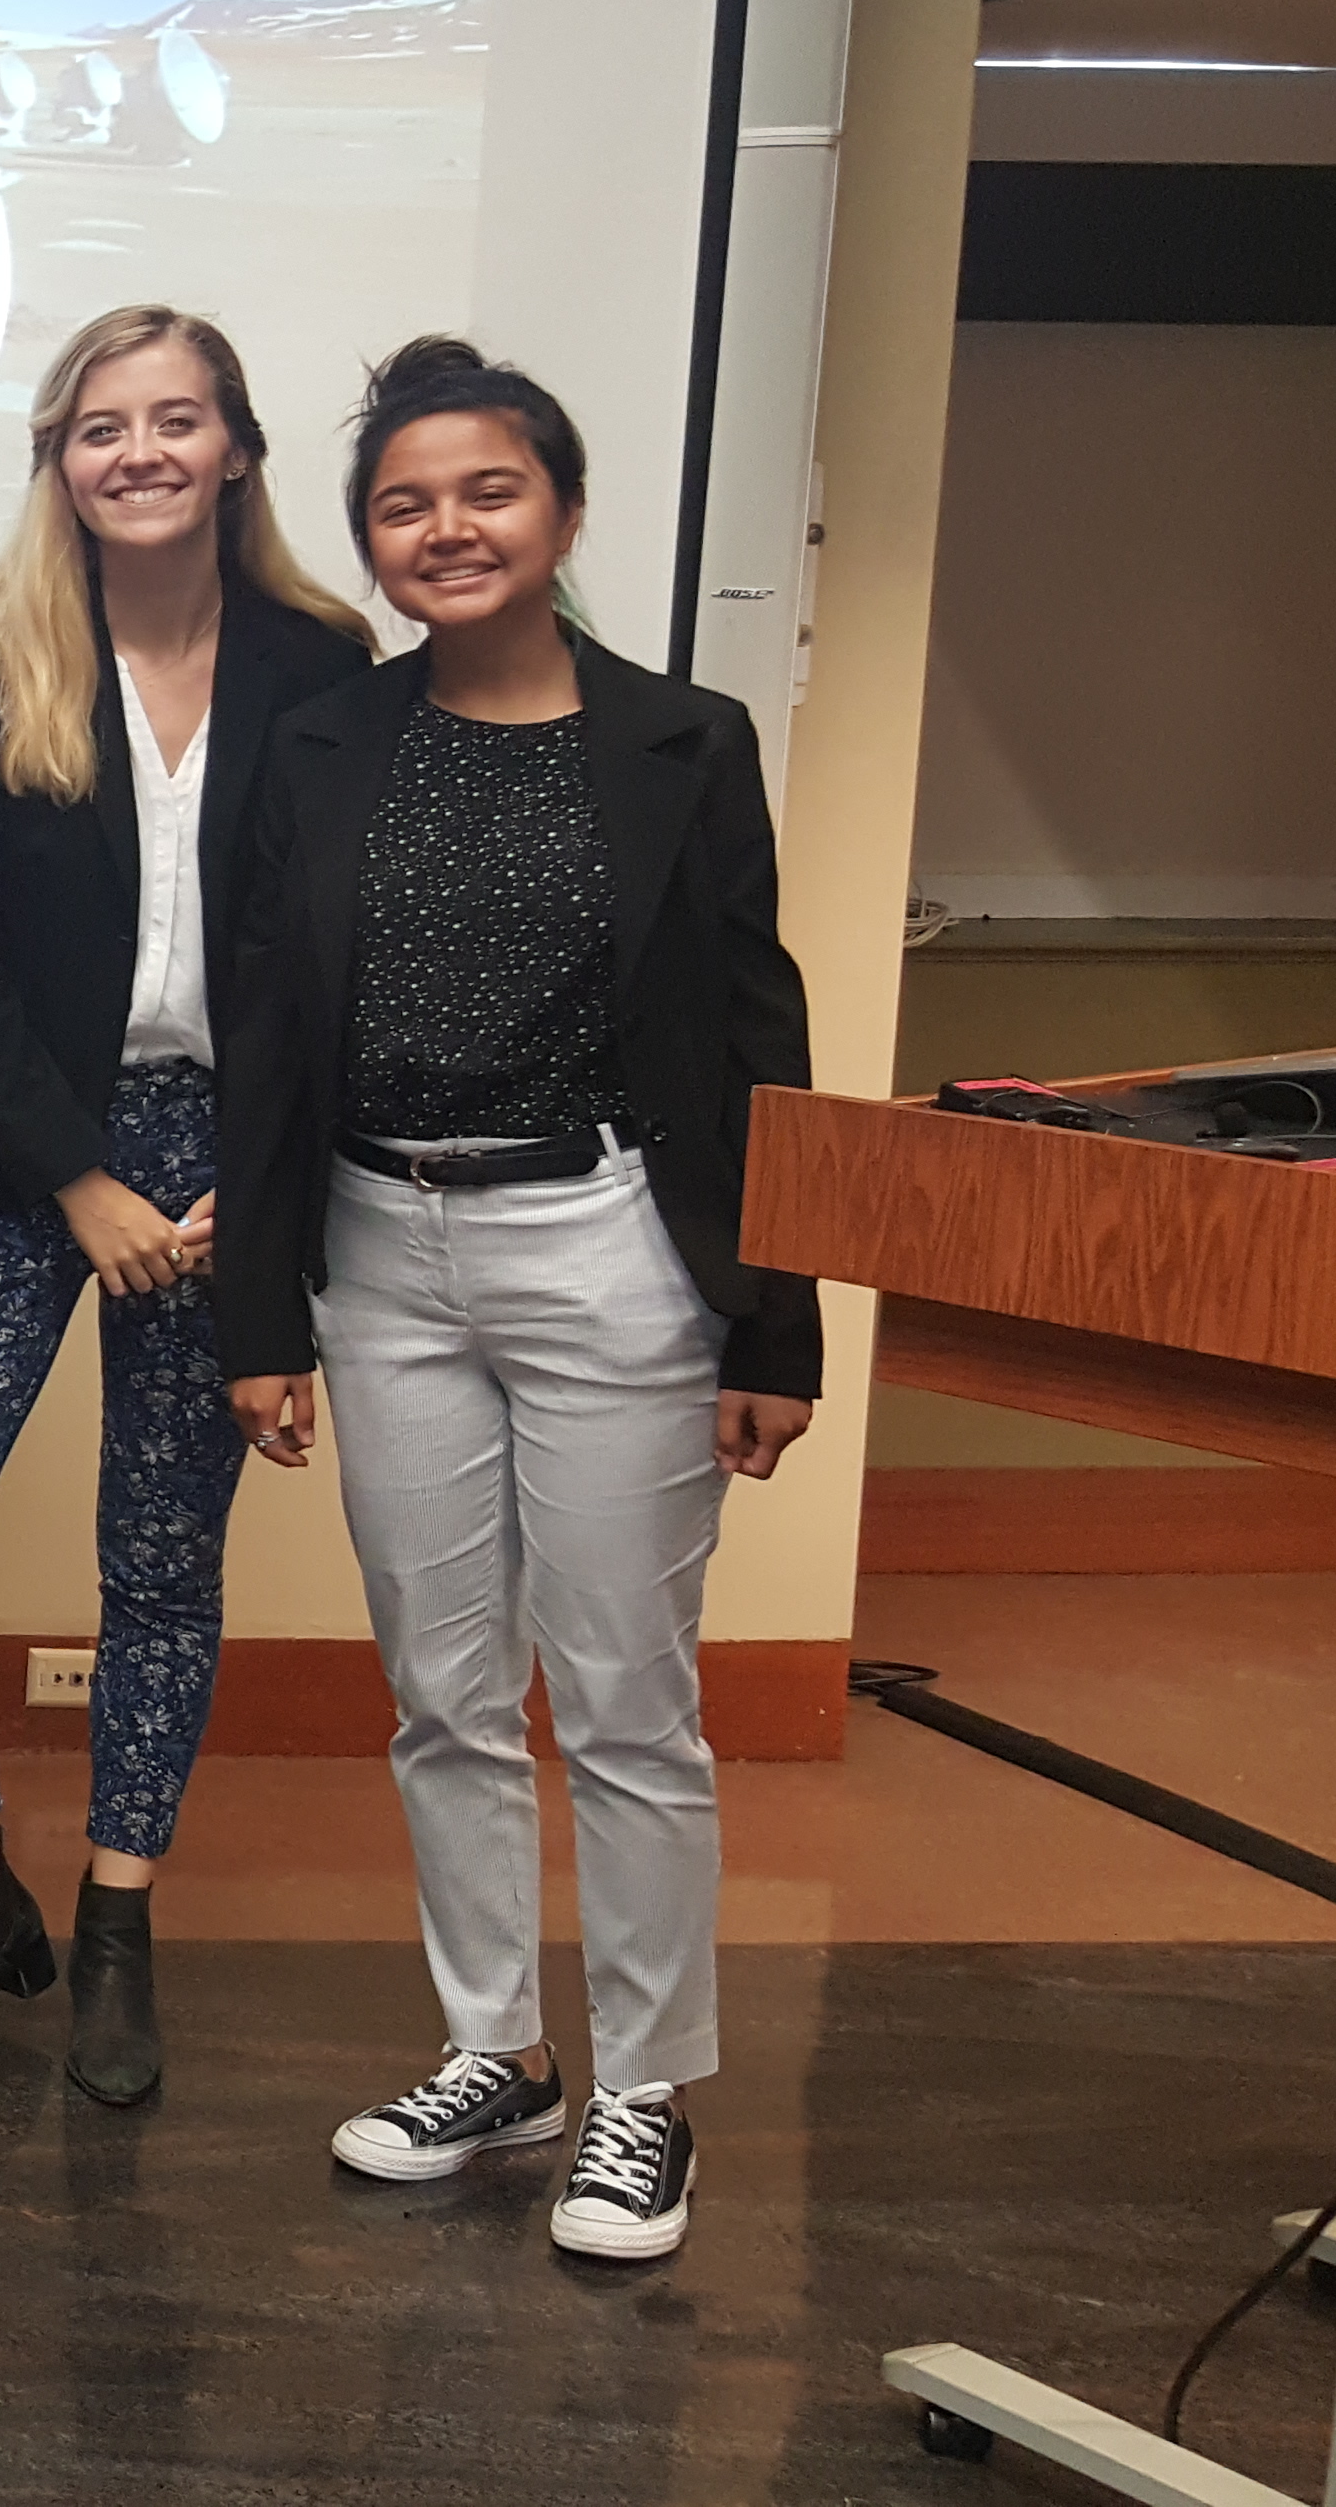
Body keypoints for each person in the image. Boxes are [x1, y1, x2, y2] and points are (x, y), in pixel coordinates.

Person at [217, 334, 816, 2267]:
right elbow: (267, 1040)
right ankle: (499, 2052)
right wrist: (260, 1316)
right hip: (382, 1253)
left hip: (613, 1248)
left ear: (561, 512)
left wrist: (775, 1318)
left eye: (489, 490)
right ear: (370, 542)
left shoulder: (686, 742)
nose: (448, 528)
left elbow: (759, 1035)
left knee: (628, 1700)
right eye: (404, 504)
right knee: (445, 1691)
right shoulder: (322, 745)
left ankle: (646, 2091)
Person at [0, 307, 376, 2108]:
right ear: (57, 461)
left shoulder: (326, 664)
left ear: (236, 447)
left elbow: (340, 954)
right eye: (100, 426)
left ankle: (115, 1930)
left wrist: (267, 1178)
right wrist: (80, 1179)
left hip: (235, 1169)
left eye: (175, 420)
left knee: (162, 1568)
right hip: (12, 1161)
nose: (139, 452)